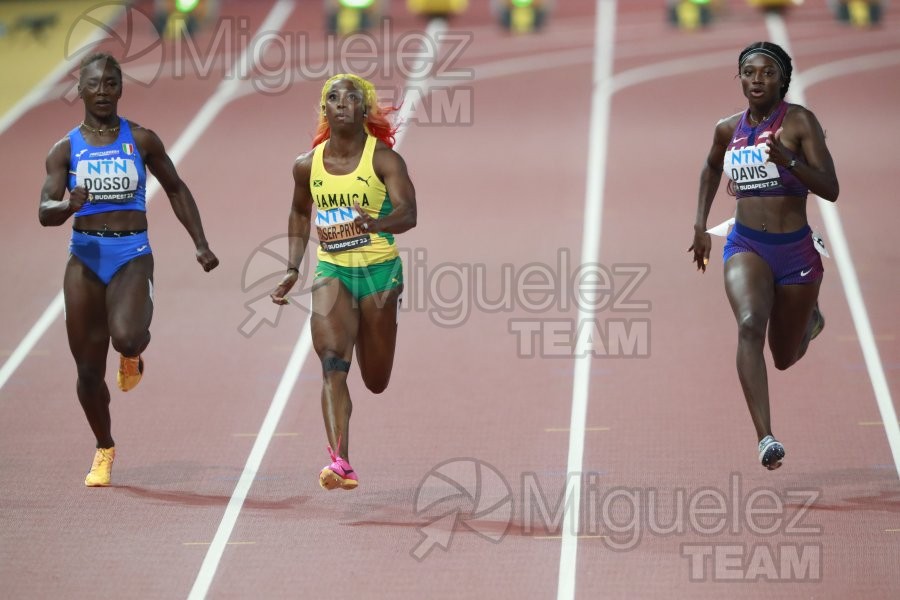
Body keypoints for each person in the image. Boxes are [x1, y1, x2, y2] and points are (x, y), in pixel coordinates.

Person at [38, 52, 219, 486]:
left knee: (128, 336)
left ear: (121, 88)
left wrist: (200, 243)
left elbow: (175, 188)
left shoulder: (141, 140)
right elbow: (44, 211)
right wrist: (67, 206)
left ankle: (133, 356)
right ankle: (104, 447)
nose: (103, 91)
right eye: (95, 84)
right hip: (84, 257)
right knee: (86, 372)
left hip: (131, 253)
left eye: (111, 83)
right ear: (79, 89)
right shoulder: (64, 149)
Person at [688, 42, 839, 470]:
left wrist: (789, 159)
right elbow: (711, 167)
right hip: (747, 244)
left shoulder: (800, 123)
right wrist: (700, 225)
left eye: (767, 73)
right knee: (750, 325)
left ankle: (811, 319)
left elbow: (830, 188)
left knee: (784, 357)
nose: (757, 80)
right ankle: (766, 439)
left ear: (782, 80)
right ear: (740, 78)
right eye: (749, 72)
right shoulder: (727, 128)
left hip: (796, 254)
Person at [270, 73, 417, 491]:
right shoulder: (307, 165)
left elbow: (409, 213)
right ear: (324, 109)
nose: (341, 104)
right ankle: (340, 462)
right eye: (332, 98)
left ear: (363, 110)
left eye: (351, 98)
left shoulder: (384, 160)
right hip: (332, 272)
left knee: (375, 379)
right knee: (333, 363)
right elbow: (300, 213)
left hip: (379, 275)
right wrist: (293, 268)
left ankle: (385, 325)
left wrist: (378, 222)